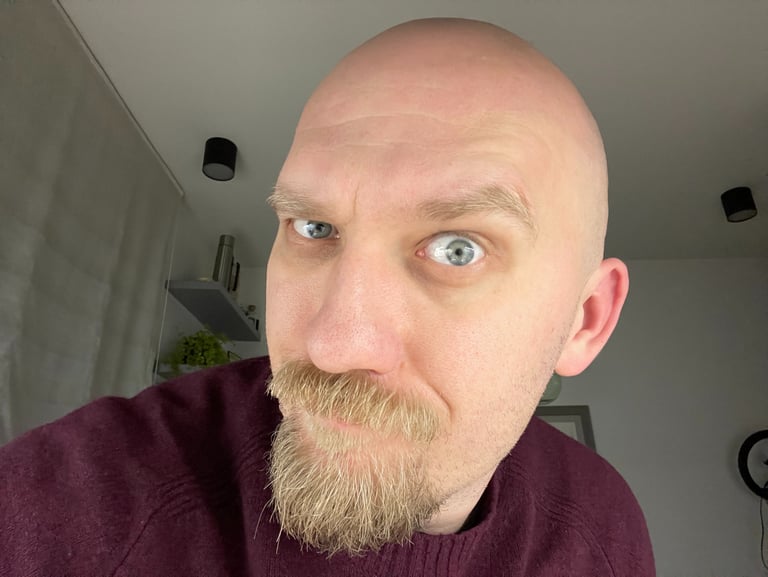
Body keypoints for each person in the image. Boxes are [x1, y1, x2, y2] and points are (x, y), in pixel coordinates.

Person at [0, 18, 655, 576]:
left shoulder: (603, 532)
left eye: (458, 248)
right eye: (314, 227)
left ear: (586, 320)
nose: (332, 346)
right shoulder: (74, 510)